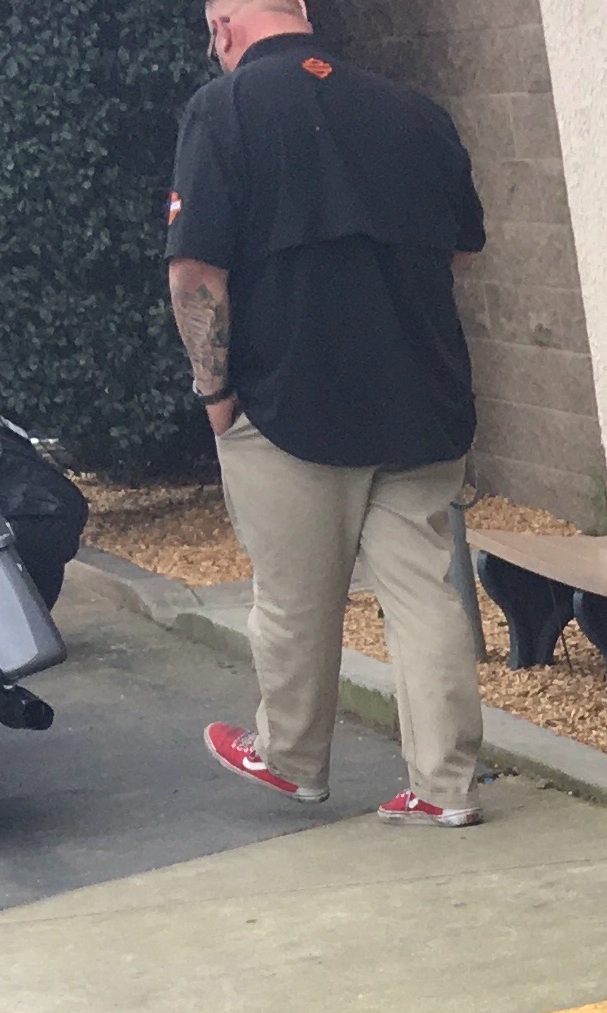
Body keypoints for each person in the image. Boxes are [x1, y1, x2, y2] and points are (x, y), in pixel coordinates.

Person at [164, 0, 489, 825]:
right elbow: (461, 244)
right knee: (424, 593)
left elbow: (196, 269)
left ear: (225, 27)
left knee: (295, 595)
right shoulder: (415, 112)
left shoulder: (224, 109)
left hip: (291, 402)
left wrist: (215, 392)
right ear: (303, 13)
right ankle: (445, 787)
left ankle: (291, 758)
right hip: (424, 392)